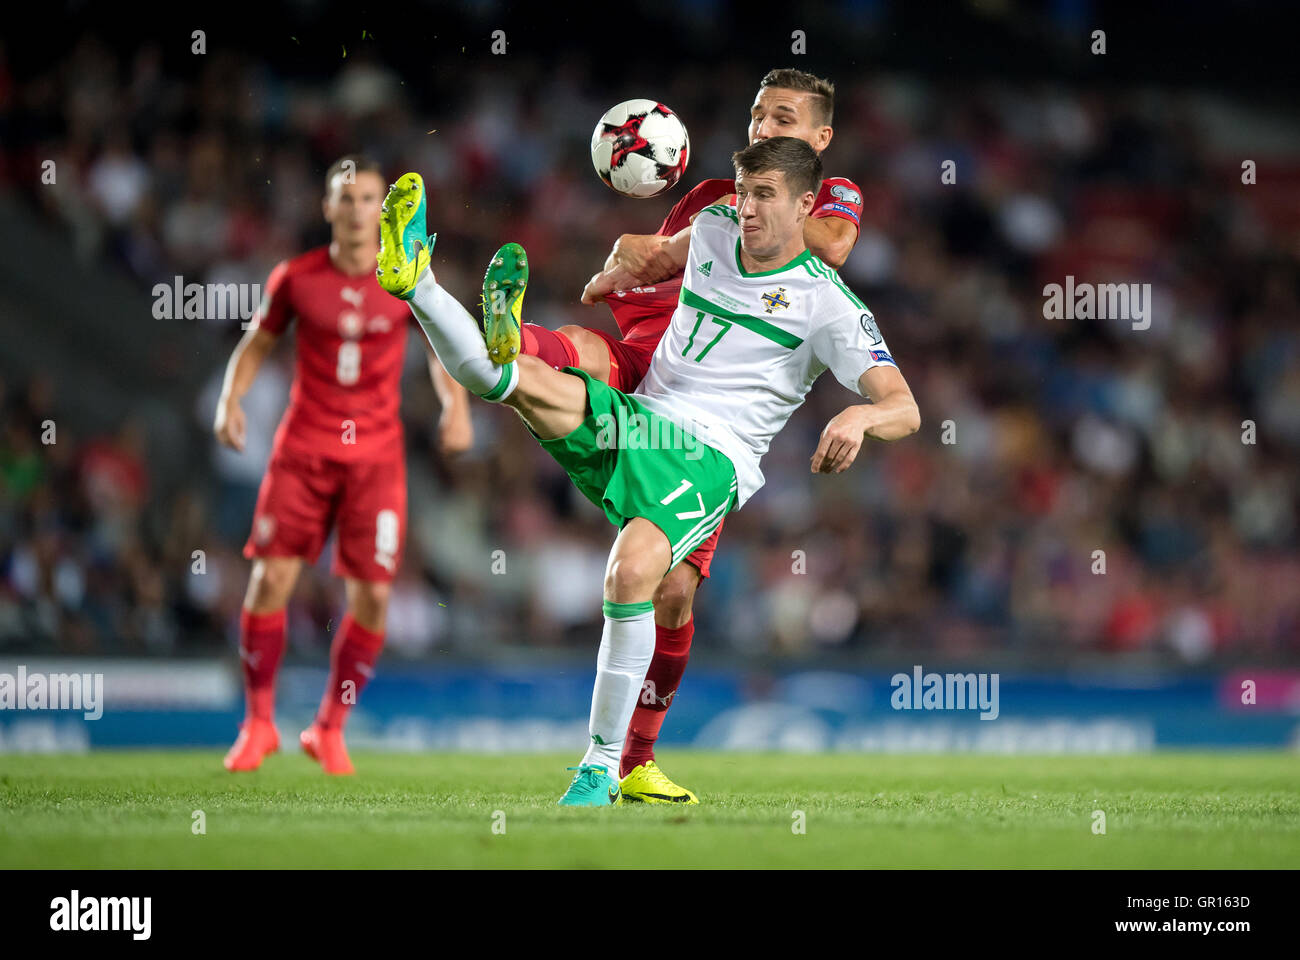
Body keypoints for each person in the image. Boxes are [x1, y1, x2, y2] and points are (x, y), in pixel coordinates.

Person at [378, 135, 919, 804]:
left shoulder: (829, 304)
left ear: (806, 205)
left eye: (766, 197)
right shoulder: (718, 227)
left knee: (633, 571)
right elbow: (654, 252)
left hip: (710, 458)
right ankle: (416, 281)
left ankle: (600, 768)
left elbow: (904, 406)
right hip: (638, 419)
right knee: (505, 380)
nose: (746, 209)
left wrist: (860, 418)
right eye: (743, 192)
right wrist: (616, 270)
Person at [507, 68, 870, 801]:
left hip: (718, 410)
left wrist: (733, 214)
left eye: (785, 117)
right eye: (759, 115)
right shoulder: (713, 197)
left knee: (673, 594)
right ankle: (502, 340)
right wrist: (628, 255)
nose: (766, 127)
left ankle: (636, 759)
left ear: (820, 139)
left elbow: (830, 247)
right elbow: (646, 264)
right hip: (661, 352)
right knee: (579, 351)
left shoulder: (831, 197)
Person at [214, 155, 472, 775]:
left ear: (385, 211)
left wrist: (455, 407)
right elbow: (256, 345)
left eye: (368, 201)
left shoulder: (406, 279)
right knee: (270, 582)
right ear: (327, 207)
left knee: (374, 599)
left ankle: (329, 728)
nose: (358, 211)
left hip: (376, 460)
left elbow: (443, 351)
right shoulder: (296, 278)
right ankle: (257, 724)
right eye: (346, 199)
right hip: (303, 451)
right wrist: (230, 399)